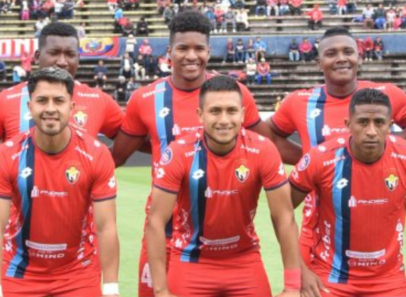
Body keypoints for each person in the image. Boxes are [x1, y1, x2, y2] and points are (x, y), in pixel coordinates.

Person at [110, 11, 263, 297]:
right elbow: (117, 156)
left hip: (223, 234)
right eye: (183, 48)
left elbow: (265, 148)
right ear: (169, 52)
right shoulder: (144, 99)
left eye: (198, 48)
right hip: (163, 230)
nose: (191, 56)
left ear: (209, 51)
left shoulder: (235, 94)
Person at [258, 27, 406, 264]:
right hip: (317, 232)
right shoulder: (299, 102)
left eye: (348, 51)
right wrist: (308, 158)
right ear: (319, 62)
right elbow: (269, 138)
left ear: (359, 56)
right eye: (331, 53)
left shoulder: (386, 95)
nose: (341, 58)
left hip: (379, 231)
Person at [146, 76, 301, 297]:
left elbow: (284, 217)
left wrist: (293, 286)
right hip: (192, 261)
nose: (224, 119)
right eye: (215, 111)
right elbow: (156, 221)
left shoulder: (263, 150)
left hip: (244, 260)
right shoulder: (179, 152)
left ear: (243, 114)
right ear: (200, 115)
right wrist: (161, 290)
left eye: (231, 111)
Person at [0, 68, 120, 297]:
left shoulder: (96, 154)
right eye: (41, 100)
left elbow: (106, 227)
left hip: (78, 272)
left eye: (59, 101)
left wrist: (111, 287)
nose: (50, 109)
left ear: (71, 107)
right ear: (30, 107)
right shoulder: (7, 155)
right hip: (20, 272)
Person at [0, 23, 124, 171]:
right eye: (54, 52)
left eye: (70, 54)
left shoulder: (98, 100)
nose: (62, 61)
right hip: (22, 208)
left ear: (78, 58)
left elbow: (134, 137)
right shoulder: (5, 101)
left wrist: (99, 161)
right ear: (36, 56)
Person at [289, 89, 406, 297]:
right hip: (331, 279)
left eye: (379, 122)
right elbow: (281, 213)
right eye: (362, 122)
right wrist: (300, 271)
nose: (371, 131)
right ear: (348, 124)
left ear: (390, 126)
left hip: (389, 279)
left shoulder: (403, 157)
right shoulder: (320, 159)